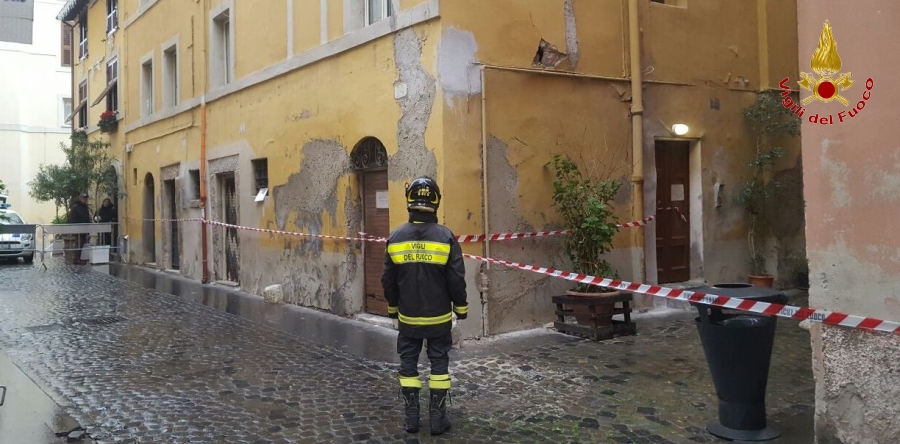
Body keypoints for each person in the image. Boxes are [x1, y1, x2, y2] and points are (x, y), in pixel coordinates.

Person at [381, 176, 468, 435]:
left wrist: (393, 309)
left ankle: (411, 420)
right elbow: (456, 277)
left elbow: (388, 280)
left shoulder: (395, 237)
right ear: (436, 200)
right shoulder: (446, 237)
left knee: (408, 366)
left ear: (409, 201)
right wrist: (460, 308)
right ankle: (438, 420)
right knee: (439, 366)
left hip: (408, 319)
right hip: (439, 318)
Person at [67, 192, 92, 265]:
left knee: (81, 244)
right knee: (78, 244)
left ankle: (78, 258)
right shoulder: (75, 207)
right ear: (80, 198)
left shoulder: (85, 207)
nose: (85, 199)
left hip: (84, 228)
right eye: (83, 198)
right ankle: (76, 259)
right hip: (78, 229)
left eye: (86, 198)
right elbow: (72, 219)